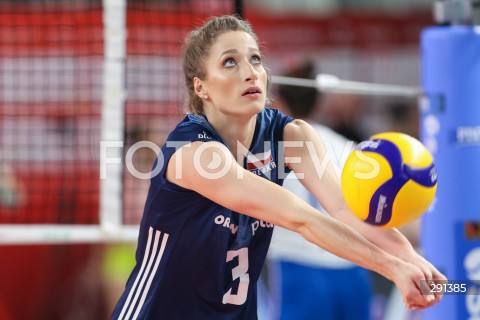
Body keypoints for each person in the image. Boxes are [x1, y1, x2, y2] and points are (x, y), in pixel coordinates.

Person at [111, 15, 446, 319]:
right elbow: (303, 219)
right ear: (201, 87)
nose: (250, 72)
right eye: (230, 62)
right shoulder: (194, 153)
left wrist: (413, 260)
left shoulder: (292, 135)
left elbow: (345, 207)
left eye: (255, 59)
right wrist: (392, 268)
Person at [265, 60, 373, 320]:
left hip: (300, 270)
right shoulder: (347, 147)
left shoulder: (268, 148)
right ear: (319, 102)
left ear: (278, 102)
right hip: (352, 267)